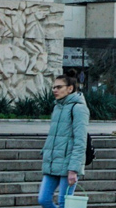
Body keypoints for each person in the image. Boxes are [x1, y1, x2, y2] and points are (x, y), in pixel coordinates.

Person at [38, 73, 90, 208]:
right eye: (54, 87)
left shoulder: (78, 108)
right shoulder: (57, 107)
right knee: (43, 199)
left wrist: (74, 169)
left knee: (64, 203)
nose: (55, 90)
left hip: (68, 164)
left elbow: (80, 141)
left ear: (70, 89)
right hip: (53, 162)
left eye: (59, 87)